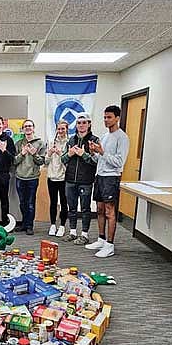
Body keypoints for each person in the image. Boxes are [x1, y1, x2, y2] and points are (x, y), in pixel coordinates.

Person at [85, 105, 130, 258]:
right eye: (104, 117)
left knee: (110, 212)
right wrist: (93, 152)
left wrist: (102, 152)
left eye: (109, 117)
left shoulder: (122, 137)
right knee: (99, 209)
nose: (106, 120)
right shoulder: (104, 137)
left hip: (111, 177)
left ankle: (110, 245)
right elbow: (99, 159)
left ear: (117, 118)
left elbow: (119, 162)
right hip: (100, 176)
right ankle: (101, 239)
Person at [61, 113, 99, 245]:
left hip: (86, 181)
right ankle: (72, 232)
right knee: (71, 207)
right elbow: (63, 159)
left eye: (84, 122)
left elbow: (96, 162)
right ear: (76, 125)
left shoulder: (94, 140)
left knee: (85, 208)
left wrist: (84, 155)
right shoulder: (71, 140)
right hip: (70, 179)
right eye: (79, 123)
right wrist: (70, 154)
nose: (81, 125)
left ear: (89, 124)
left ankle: (84, 234)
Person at [14, 119, 46, 235]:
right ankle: (23, 223)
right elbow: (14, 161)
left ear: (33, 128)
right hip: (20, 177)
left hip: (32, 177)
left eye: (30, 126)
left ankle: (30, 226)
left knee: (30, 203)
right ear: (23, 129)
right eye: (25, 126)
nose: (28, 128)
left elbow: (41, 161)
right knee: (22, 202)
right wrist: (22, 153)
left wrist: (34, 154)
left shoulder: (40, 143)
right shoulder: (18, 143)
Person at [44, 119, 69, 237]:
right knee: (53, 202)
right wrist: (49, 153)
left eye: (63, 129)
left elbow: (69, 162)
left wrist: (60, 153)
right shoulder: (51, 142)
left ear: (67, 129)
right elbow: (45, 162)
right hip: (51, 176)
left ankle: (62, 226)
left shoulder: (70, 142)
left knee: (64, 202)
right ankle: (53, 224)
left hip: (64, 178)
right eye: (59, 129)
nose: (60, 131)